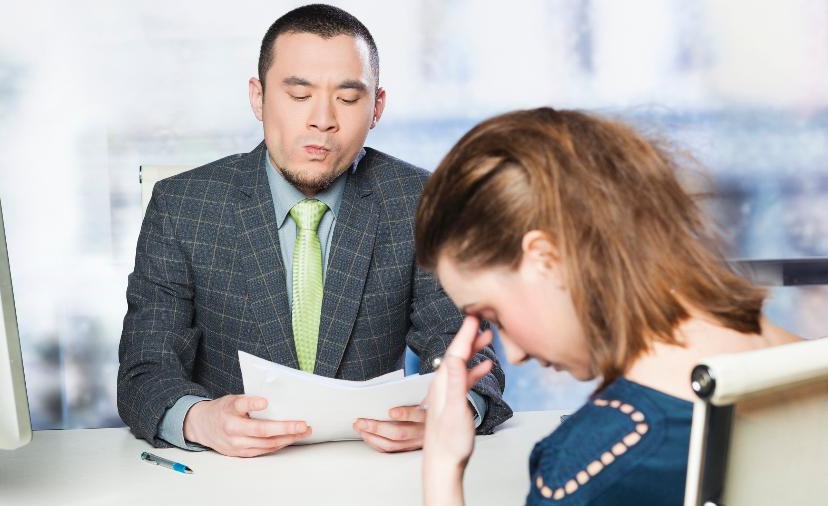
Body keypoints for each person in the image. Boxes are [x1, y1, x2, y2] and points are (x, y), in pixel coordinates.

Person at [117, 4, 512, 458]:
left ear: (377, 107)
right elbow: (144, 370)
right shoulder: (182, 206)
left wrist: (452, 409)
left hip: (374, 468)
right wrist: (196, 418)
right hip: (229, 476)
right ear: (258, 97)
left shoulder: (422, 200)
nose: (322, 120)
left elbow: (464, 345)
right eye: (299, 96)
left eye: (347, 99)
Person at [415, 108, 800, 505]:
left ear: (546, 258)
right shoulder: (805, 363)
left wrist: (442, 466)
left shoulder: (590, 465)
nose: (513, 352)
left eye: (494, 316)